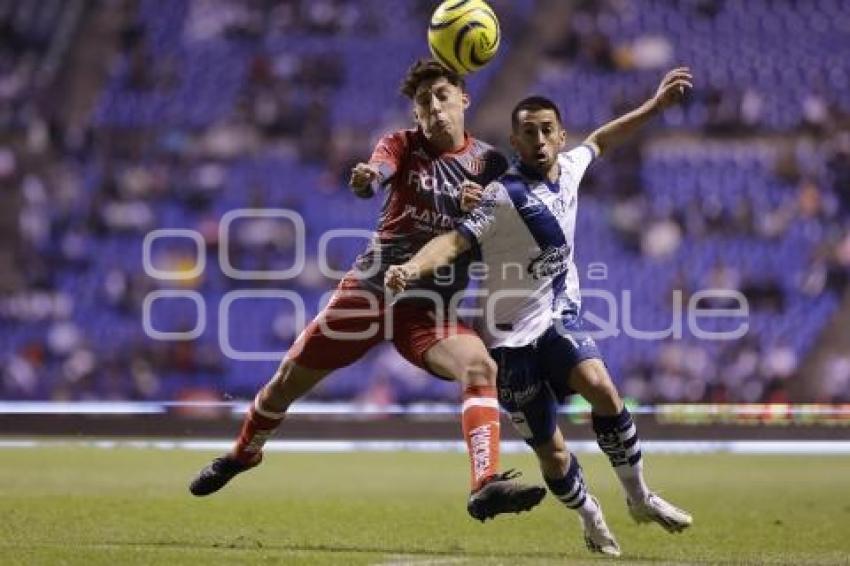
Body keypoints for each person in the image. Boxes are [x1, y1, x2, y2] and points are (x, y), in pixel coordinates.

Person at [189, 59, 546, 522]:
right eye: (423, 102)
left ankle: (485, 484)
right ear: (415, 112)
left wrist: (490, 213)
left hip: (430, 309)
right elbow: (377, 171)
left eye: (442, 95)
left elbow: (511, 232)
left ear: (464, 98)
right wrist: (367, 178)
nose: (434, 107)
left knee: (479, 364)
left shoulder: (491, 165)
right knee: (284, 385)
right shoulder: (400, 144)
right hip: (371, 293)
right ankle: (244, 452)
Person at [385, 68, 695, 556]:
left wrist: (655, 107)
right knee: (551, 454)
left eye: (547, 129)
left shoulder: (572, 167)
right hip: (508, 344)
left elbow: (604, 139)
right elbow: (453, 242)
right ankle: (590, 515)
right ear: (514, 141)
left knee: (602, 388)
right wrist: (411, 265)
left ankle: (639, 497)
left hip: (556, 318)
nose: (539, 140)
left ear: (560, 134)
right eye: (528, 132)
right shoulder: (500, 195)